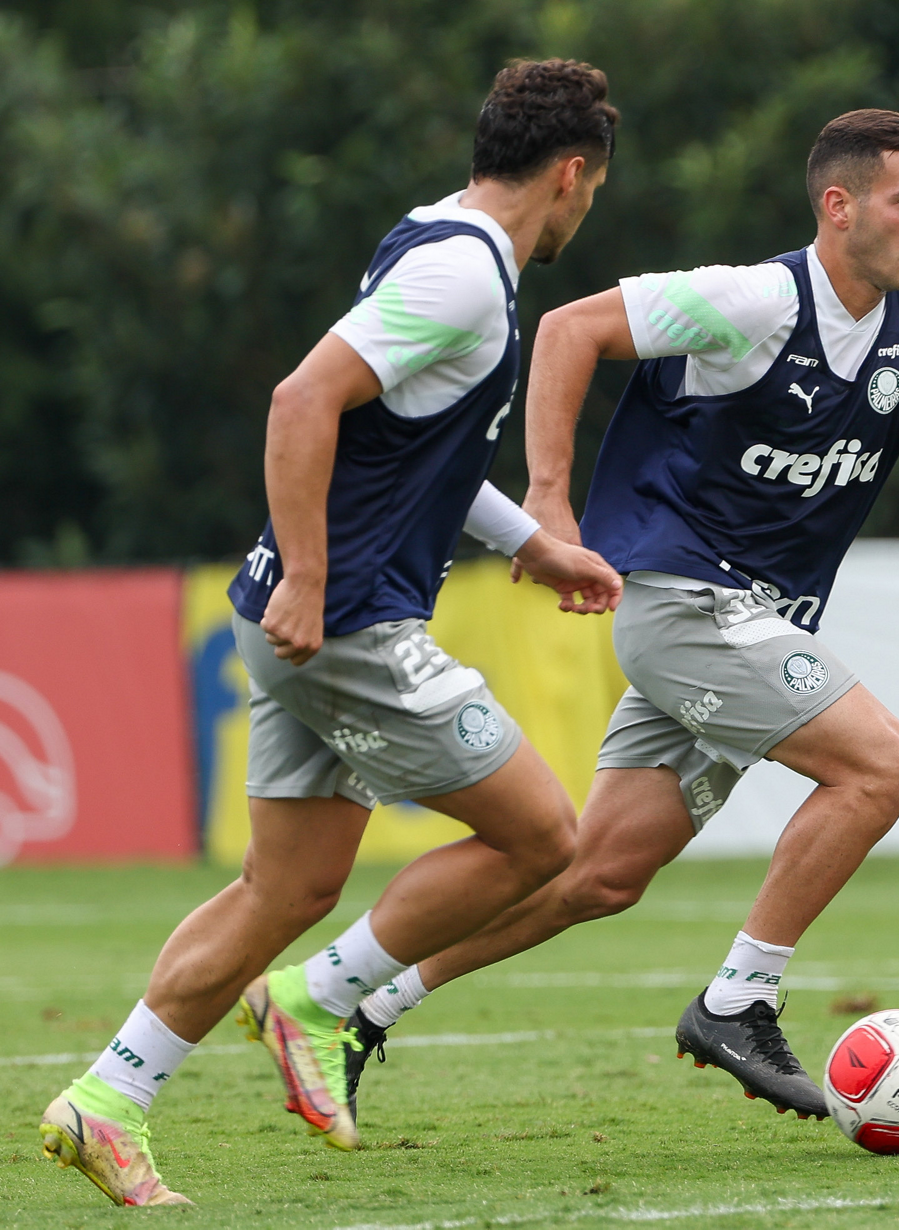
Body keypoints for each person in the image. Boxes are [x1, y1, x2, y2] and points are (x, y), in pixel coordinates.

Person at [342, 107, 899, 1123]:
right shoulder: (751, 303)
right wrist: (548, 500)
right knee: (885, 766)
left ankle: (366, 1004)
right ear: (838, 206)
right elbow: (568, 330)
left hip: (753, 626)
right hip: (683, 605)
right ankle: (740, 999)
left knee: (595, 876)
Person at [38, 59, 622, 1207]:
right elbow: (300, 400)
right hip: (347, 623)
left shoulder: (433, 238)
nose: (585, 210)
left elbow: (411, 446)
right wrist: (310, 576)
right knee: (544, 840)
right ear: (569, 174)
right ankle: (318, 998)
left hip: (303, 620)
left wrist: (531, 543)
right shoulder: (464, 275)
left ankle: (107, 1099)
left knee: (286, 887)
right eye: (592, 191)